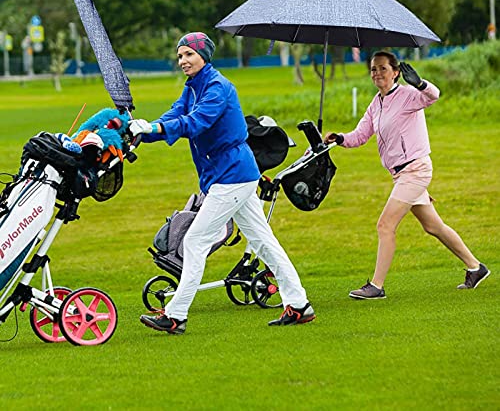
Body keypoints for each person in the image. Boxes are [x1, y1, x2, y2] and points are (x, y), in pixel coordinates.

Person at [129, 32, 315, 333]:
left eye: (188, 54)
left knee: (194, 241)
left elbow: (197, 122)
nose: (182, 61)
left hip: (233, 176)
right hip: (229, 175)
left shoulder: (218, 88)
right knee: (264, 242)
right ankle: (299, 305)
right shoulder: (192, 89)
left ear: (204, 55)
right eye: (179, 55)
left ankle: (176, 315)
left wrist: (155, 126)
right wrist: (140, 131)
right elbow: (175, 116)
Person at [323, 51, 490, 299]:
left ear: (396, 72)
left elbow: (434, 95)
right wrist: (341, 139)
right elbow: (360, 135)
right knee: (433, 226)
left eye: (382, 68)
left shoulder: (408, 95)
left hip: (416, 170)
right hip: (401, 175)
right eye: (373, 69)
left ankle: (376, 286)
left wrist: (420, 83)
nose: (377, 73)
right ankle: (476, 268)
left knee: (385, 225)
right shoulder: (375, 104)